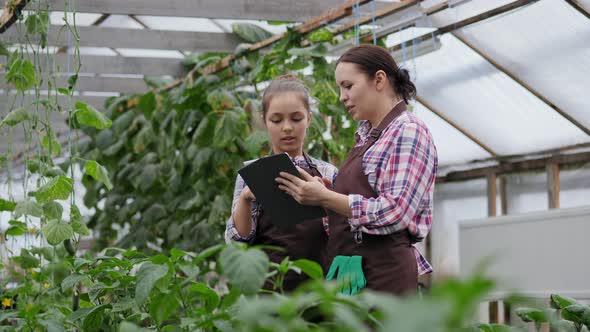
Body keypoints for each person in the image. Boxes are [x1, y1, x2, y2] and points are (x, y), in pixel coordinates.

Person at [276, 45, 438, 296]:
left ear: (379, 79)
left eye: (348, 86)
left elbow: (394, 212)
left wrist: (326, 197)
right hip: (354, 270)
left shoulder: (407, 130)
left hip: (385, 274)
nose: (342, 96)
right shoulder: (367, 135)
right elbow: (359, 207)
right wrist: (327, 195)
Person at [224, 74, 338, 292]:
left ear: (309, 119)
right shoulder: (253, 174)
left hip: (320, 289)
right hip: (269, 290)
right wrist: (246, 199)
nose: (287, 127)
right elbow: (238, 241)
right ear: (265, 121)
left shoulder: (326, 172)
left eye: (296, 119)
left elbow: (342, 235)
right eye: (276, 120)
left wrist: (325, 197)